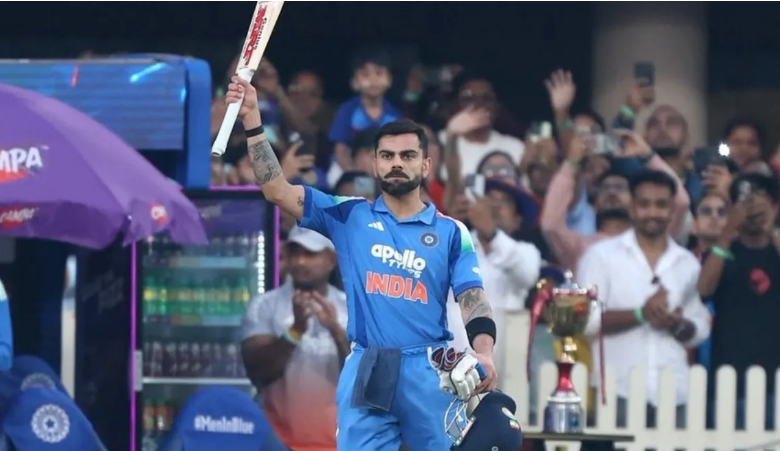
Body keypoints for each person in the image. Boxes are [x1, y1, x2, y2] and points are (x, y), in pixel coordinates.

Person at [226, 76, 497, 451]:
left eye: (407, 156)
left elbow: (473, 298)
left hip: (430, 367)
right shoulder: (349, 215)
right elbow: (276, 190)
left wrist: (485, 352)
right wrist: (253, 119)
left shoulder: (452, 231)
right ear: (374, 164)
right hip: (369, 364)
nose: (396, 163)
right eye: (387, 156)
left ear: (426, 165)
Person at [578, 169, 710, 428]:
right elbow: (584, 320)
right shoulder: (601, 256)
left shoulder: (687, 263)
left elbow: (699, 329)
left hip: (675, 393)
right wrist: (641, 314)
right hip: (617, 391)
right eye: (644, 204)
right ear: (631, 207)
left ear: (672, 210)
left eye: (661, 205)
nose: (653, 212)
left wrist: (676, 324)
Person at [241, 227, 348, 451]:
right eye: (294, 253)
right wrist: (295, 331)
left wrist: (337, 332)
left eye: (310, 254)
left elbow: (366, 383)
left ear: (331, 260)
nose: (300, 262)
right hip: (278, 443)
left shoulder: (350, 308)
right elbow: (257, 374)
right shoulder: (265, 306)